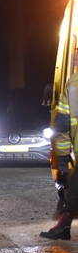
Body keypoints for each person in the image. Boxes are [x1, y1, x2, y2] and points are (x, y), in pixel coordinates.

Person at [41, 79, 78, 240]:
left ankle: (63, 225)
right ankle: (63, 225)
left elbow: (62, 124)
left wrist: (62, 160)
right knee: (74, 189)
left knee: (74, 190)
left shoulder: (74, 83)